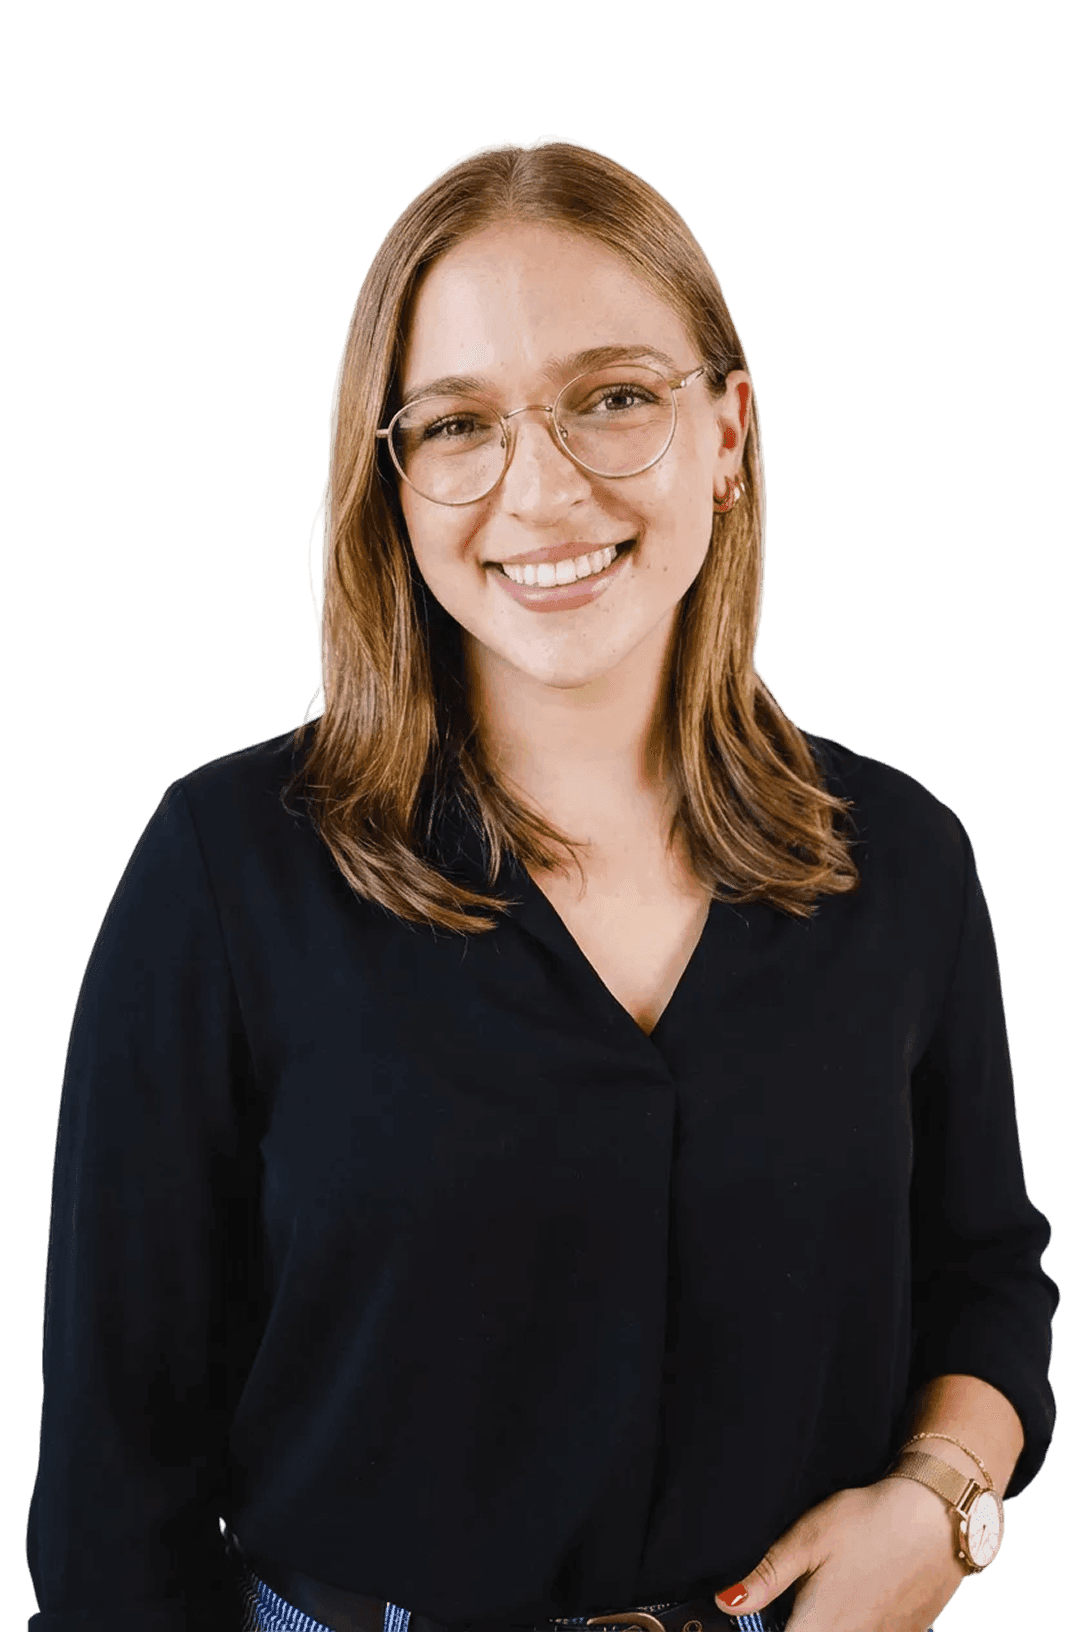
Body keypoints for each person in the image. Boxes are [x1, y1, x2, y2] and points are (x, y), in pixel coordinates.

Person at [26, 137, 1058, 1632]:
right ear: (393, 480)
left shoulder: (904, 859)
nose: (543, 488)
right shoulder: (223, 870)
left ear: (730, 432)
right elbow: (116, 1476)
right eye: (459, 425)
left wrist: (944, 1508)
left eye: (615, 398)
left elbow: (988, 1276)